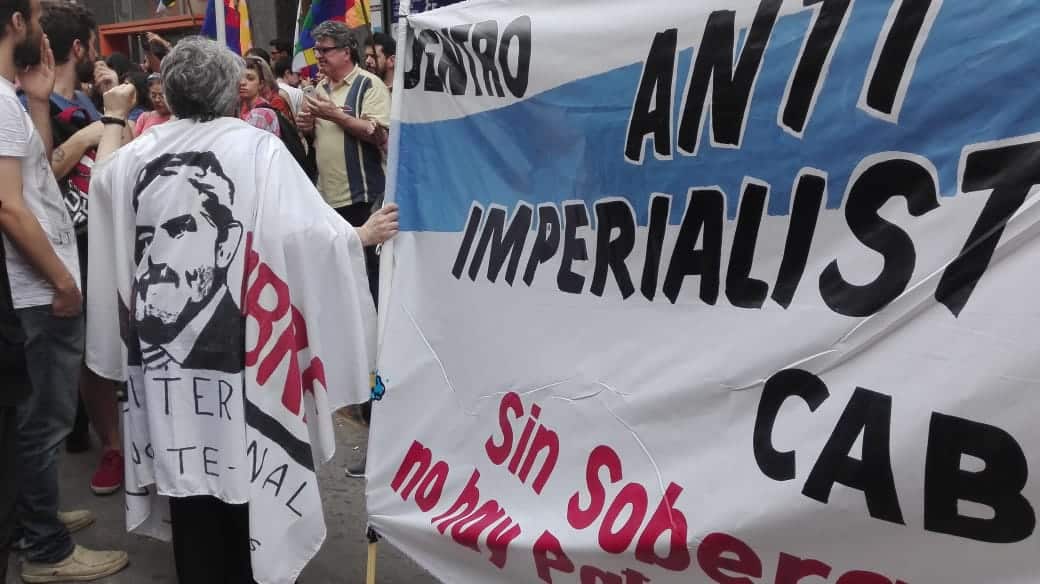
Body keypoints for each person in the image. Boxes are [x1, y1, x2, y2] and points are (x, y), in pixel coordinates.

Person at [86, 36, 397, 584]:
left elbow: (103, 185)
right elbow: (305, 234)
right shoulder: (257, 150)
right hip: (244, 368)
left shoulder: (135, 154)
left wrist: (114, 116)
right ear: (232, 93)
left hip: (167, 379)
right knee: (243, 482)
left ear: (169, 94)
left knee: (189, 486)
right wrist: (358, 236)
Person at [0, 0, 129, 580]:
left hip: (40, 283)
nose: (39, 29)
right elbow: (9, 206)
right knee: (42, 421)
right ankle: (45, 550)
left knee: (38, 421)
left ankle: (36, 516)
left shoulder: (12, 99)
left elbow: (35, 175)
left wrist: (36, 101)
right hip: (35, 289)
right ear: (16, 25)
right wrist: (60, 279)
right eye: (31, 16)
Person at [37, 0, 130, 499]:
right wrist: (97, 130)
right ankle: (110, 446)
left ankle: (114, 439)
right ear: (78, 47)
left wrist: (114, 116)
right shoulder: (33, 104)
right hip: (66, 248)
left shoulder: (92, 101)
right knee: (84, 355)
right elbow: (36, 175)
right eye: (93, 45)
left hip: (106, 239)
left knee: (109, 345)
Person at [297, 21, 389, 302]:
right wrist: (307, 127)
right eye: (316, 50)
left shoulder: (368, 84)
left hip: (363, 196)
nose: (318, 56)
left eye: (324, 50)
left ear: (346, 52)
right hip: (328, 199)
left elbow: (378, 135)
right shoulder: (317, 89)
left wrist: (335, 115)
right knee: (341, 275)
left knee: (370, 274)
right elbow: (316, 139)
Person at [240, 56, 281, 137]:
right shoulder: (241, 108)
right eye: (239, 77)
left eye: (250, 78)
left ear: (261, 84)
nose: (242, 82)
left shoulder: (260, 114)